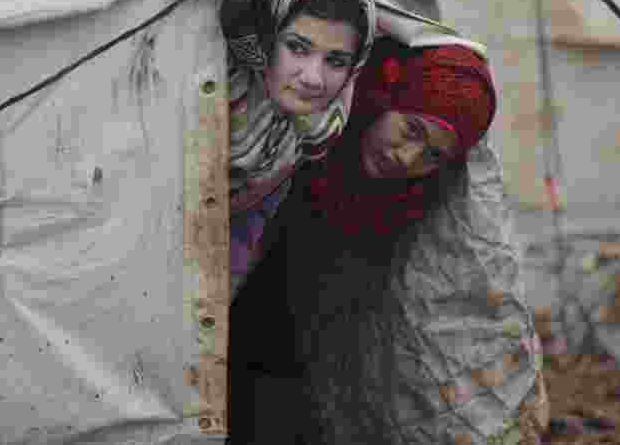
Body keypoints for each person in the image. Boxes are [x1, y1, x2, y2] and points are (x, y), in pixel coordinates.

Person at [230, 32, 549, 444]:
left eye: (433, 155)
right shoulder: (304, 129)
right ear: (387, 94)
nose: (408, 157)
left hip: (298, 346)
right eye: (411, 128)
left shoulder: (409, 201)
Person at [220, 0, 376, 301]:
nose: (313, 78)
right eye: (297, 47)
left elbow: (244, 237)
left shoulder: (314, 131)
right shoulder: (216, 85)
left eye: (336, 61)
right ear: (269, 33)